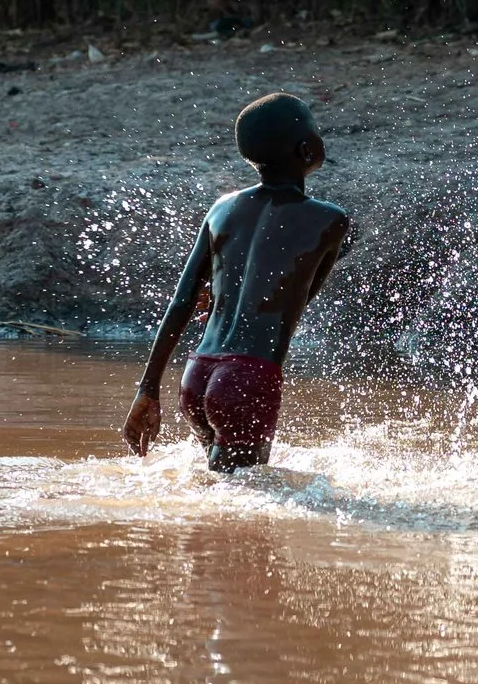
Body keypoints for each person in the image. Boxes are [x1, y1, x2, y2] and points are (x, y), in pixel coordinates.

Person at [122, 93, 352, 471]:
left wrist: (148, 389)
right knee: (238, 505)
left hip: (198, 373)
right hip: (247, 378)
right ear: (307, 148)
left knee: (218, 488)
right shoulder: (330, 221)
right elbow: (298, 298)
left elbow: (181, 302)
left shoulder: (221, 209)